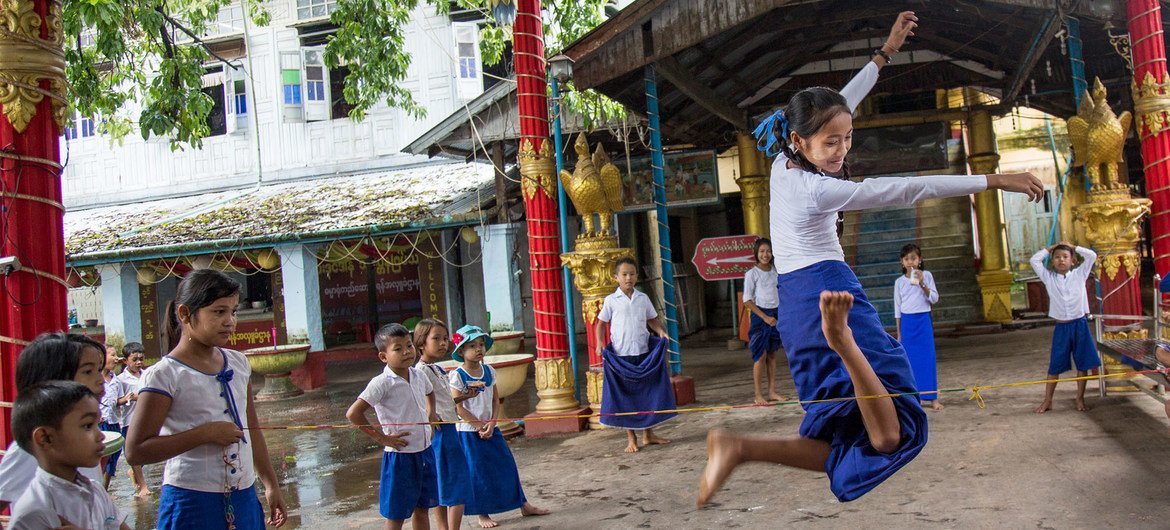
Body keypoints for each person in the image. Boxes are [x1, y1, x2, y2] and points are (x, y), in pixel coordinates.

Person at [696, 11, 1044, 505]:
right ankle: (842, 344)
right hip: (828, 293)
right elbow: (904, 187)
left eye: (847, 138)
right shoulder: (816, 189)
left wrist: (885, 53)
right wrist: (991, 179)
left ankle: (739, 447)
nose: (841, 150)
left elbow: (844, 102)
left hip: (799, 306)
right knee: (889, 434)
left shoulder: (782, 158)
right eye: (830, 142)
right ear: (801, 141)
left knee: (845, 436)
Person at [126, 269, 287, 529]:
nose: (230, 321)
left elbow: (251, 429)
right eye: (218, 311)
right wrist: (203, 434)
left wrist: (270, 484)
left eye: (233, 311)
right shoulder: (164, 375)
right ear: (185, 314)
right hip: (192, 500)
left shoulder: (238, 363)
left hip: (244, 494)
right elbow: (135, 451)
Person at [448, 325, 548, 528]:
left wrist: (492, 423)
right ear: (461, 351)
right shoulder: (457, 375)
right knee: (477, 471)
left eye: (481, 344)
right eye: (472, 346)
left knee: (507, 465)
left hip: (491, 429)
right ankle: (482, 513)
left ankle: (523, 504)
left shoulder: (488, 370)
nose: (478, 349)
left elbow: (495, 399)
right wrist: (478, 426)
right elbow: (457, 407)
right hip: (469, 433)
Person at [346, 323, 440, 530]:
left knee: (422, 508)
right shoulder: (381, 383)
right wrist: (383, 438)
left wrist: (431, 412)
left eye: (409, 346)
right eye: (398, 349)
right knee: (396, 514)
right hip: (400, 456)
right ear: (383, 356)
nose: (407, 352)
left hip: (424, 451)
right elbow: (353, 413)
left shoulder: (418, 374)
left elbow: (430, 392)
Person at [0, 333, 108, 512]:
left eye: (99, 370)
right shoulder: (33, 448)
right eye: (88, 371)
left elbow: (107, 516)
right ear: (55, 382)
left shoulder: (85, 444)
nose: (100, 380)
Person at [8, 380, 129, 530]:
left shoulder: (96, 490)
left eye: (97, 424)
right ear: (45, 438)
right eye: (87, 426)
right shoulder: (33, 513)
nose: (101, 436)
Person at [594, 256, 676, 453]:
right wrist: (599, 343)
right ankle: (631, 438)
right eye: (624, 274)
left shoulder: (643, 298)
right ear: (616, 277)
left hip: (644, 354)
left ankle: (648, 434)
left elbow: (652, 320)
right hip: (622, 357)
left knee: (646, 395)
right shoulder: (611, 301)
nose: (628, 278)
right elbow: (601, 324)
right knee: (626, 399)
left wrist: (661, 332)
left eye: (631, 274)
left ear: (637, 276)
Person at [414, 318, 473, 530]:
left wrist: (463, 397)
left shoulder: (436, 369)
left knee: (442, 486)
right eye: (436, 338)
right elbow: (422, 401)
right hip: (442, 432)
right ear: (421, 343)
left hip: (447, 429)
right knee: (456, 485)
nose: (443, 343)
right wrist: (431, 415)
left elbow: (443, 401)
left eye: (445, 339)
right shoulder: (420, 371)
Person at [1030, 241, 1100, 413]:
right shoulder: (1048, 278)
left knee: (1083, 365)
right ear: (1052, 261)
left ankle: (1080, 398)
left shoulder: (1080, 274)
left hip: (1080, 324)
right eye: (1057, 257)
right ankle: (1048, 400)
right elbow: (1034, 260)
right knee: (1055, 365)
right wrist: (1050, 249)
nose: (1061, 260)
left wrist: (1074, 247)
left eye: (1065, 257)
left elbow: (1092, 256)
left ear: (1073, 261)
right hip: (1061, 328)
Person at [893, 243, 943, 410]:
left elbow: (934, 299)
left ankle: (932, 397)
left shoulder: (927, 276)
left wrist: (922, 284)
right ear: (902, 262)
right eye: (906, 259)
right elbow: (897, 308)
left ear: (920, 260)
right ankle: (913, 397)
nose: (910, 262)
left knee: (927, 359)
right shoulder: (899, 282)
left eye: (913, 258)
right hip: (907, 323)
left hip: (923, 321)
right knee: (909, 361)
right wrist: (899, 332)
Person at [742, 238, 789, 404]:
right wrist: (764, 317)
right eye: (762, 251)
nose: (765, 255)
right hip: (760, 317)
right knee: (759, 356)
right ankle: (758, 395)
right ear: (756, 253)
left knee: (772, 355)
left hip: (776, 314)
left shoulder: (776, 271)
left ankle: (771, 392)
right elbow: (747, 300)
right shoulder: (751, 274)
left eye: (768, 251)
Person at [115, 342, 150, 497]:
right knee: (134, 452)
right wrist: (131, 398)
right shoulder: (121, 380)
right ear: (125, 361)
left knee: (148, 450)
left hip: (147, 419)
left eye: (141, 359)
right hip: (130, 420)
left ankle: (134, 472)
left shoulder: (147, 375)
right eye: (134, 359)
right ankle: (143, 486)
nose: (138, 363)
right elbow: (117, 400)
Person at [99, 346, 124, 491]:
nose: (116, 358)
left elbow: (117, 401)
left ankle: (104, 489)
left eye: (116, 355)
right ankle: (99, 489)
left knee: (113, 457)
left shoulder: (116, 380)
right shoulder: (95, 379)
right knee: (101, 457)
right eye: (112, 355)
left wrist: (126, 399)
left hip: (113, 422)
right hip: (100, 424)